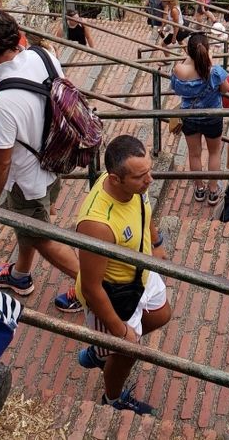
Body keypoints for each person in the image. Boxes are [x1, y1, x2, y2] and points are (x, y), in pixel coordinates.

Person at [0, 10, 79, 299]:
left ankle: (95, 287)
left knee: (41, 237)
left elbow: (0, 161)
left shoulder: (3, 101)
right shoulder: (44, 56)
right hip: (55, 160)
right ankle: (20, 275)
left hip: (28, 178)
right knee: (28, 225)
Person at [72, 135, 171, 416]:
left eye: (149, 171)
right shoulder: (96, 224)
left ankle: (99, 352)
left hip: (140, 274)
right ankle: (113, 398)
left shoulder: (136, 183)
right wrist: (120, 331)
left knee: (162, 314)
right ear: (115, 180)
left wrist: (156, 241)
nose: (150, 180)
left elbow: (145, 210)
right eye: (142, 176)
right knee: (128, 352)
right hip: (114, 294)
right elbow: (92, 288)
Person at [170, 31, 228, 204]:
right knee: (214, 152)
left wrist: (189, 58)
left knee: (194, 154)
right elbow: (225, 90)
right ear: (207, 50)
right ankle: (212, 191)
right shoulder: (215, 71)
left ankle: (199, 189)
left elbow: (176, 88)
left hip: (190, 116)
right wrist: (210, 62)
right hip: (212, 116)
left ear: (189, 52)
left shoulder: (179, 70)